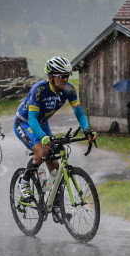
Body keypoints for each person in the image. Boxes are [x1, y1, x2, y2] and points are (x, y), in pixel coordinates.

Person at [13, 56, 96, 222]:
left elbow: (79, 112)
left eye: (68, 75)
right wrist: (43, 137)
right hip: (26, 122)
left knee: (55, 166)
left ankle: (55, 206)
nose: (66, 79)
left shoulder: (69, 90)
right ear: (51, 76)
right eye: (62, 76)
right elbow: (33, 118)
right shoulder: (39, 89)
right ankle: (25, 181)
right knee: (43, 151)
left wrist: (87, 129)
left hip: (42, 123)